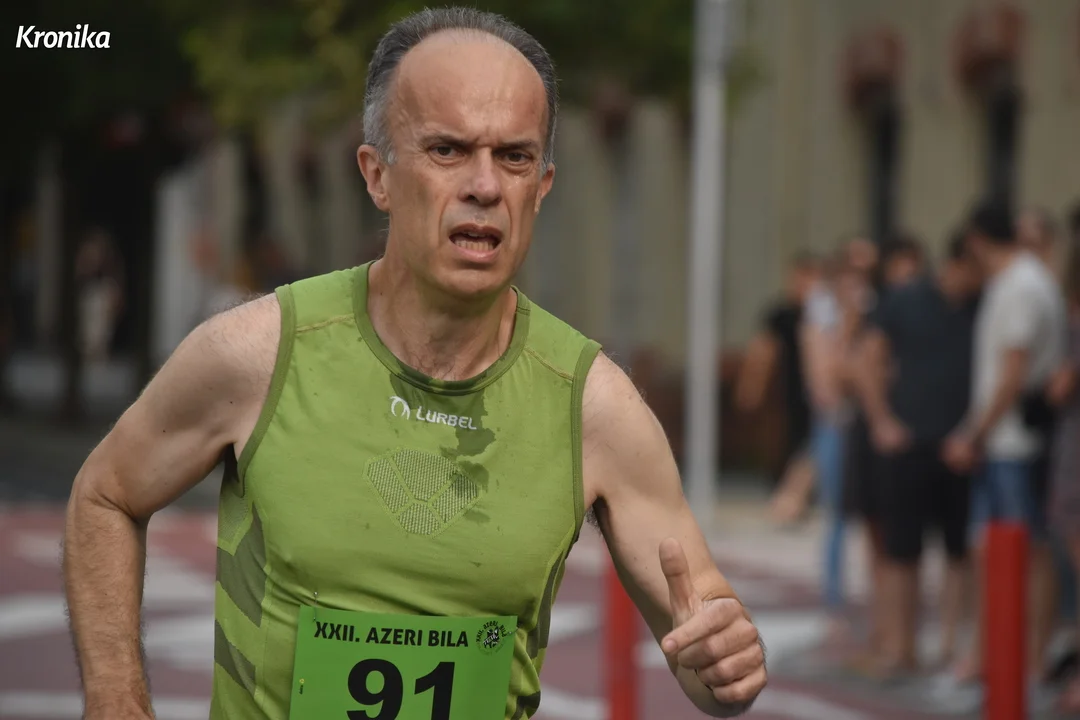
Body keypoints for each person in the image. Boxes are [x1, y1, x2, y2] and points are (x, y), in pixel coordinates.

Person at [61, 9, 767, 720]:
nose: (484, 186)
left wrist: (725, 662)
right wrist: (116, 697)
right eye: (448, 150)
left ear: (542, 186)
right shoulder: (258, 355)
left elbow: (705, 640)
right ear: (378, 176)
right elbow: (106, 495)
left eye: (514, 157)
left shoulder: (594, 408)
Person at [945, 199, 1067, 691]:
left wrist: (973, 434)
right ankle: (995, 659)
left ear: (976, 240)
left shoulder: (1022, 286)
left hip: (1014, 442)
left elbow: (1012, 374)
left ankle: (1028, 662)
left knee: (1028, 551)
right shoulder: (1014, 283)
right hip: (1002, 441)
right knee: (996, 551)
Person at [856, 231, 980, 678]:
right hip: (909, 445)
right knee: (902, 550)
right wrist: (880, 420)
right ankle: (900, 646)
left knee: (958, 551)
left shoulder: (980, 305)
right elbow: (868, 358)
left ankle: (948, 646)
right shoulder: (905, 300)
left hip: (960, 447)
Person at [734, 252, 821, 524]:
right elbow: (762, 351)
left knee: (812, 446)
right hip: (789, 394)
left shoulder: (825, 314)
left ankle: (796, 499)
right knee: (793, 445)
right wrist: (751, 387)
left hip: (818, 393)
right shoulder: (782, 315)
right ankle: (790, 500)